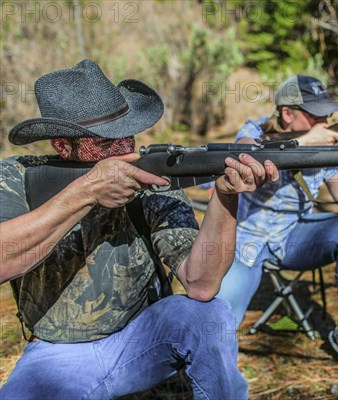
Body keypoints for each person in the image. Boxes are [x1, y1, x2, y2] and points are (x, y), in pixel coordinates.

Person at [0, 59, 278, 399]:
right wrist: (87, 191)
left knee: (207, 314)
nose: (124, 152)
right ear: (61, 146)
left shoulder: (153, 178)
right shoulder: (16, 177)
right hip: (57, 354)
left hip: (144, 337)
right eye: (104, 144)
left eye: (127, 136)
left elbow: (201, 284)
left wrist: (225, 196)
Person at [216, 75, 338, 381]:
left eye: (325, 113)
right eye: (314, 114)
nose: (323, 120)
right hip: (245, 244)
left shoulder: (326, 144)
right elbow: (247, 155)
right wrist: (304, 143)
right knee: (216, 326)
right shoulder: (254, 130)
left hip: (292, 240)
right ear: (287, 113)